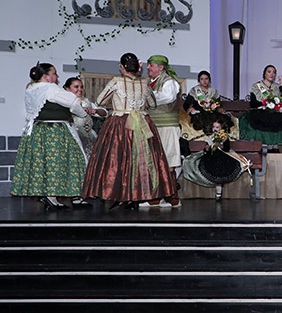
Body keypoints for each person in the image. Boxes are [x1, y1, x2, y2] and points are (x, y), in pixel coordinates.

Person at [82, 53, 178, 210]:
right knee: (141, 160)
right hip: (141, 122)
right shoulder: (145, 83)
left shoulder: (116, 82)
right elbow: (152, 104)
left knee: (118, 159)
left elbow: (99, 101)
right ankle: (136, 195)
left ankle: (119, 194)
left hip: (120, 123)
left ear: (121, 67)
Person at [11, 63, 89, 210]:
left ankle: (51, 196)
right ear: (46, 76)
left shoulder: (31, 89)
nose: (57, 76)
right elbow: (73, 102)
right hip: (54, 131)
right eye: (54, 73)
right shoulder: (51, 88)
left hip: (38, 131)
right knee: (59, 162)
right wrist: (83, 114)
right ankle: (54, 196)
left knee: (44, 164)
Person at [238, 65, 282, 150]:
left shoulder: (277, 87)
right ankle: (263, 145)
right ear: (264, 74)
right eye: (269, 72)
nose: (272, 74)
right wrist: (266, 104)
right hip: (261, 111)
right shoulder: (256, 86)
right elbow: (253, 103)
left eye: (274, 72)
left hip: (275, 112)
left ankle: (276, 146)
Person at [181, 118, 251, 201]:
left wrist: (220, 145)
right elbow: (207, 150)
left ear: (221, 128)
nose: (215, 129)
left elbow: (227, 148)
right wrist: (207, 149)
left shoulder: (224, 137)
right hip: (211, 157)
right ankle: (218, 191)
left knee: (220, 172)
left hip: (223, 157)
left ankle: (218, 193)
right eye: (214, 127)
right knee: (209, 169)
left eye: (217, 127)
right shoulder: (210, 138)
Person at [146, 54, 183, 208]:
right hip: (154, 125)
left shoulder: (169, 81)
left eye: (151, 65)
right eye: (148, 65)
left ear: (161, 67)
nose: (148, 67)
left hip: (167, 126)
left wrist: (147, 96)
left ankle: (172, 197)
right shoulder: (150, 82)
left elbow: (168, 97)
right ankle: (156, 197)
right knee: (154, 161)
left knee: (169, 160)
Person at [63, 76, 107, 159]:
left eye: (81, 87)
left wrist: (95, 111)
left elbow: (104, 113)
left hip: (89, 135)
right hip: (74, 135)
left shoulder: (86, 101)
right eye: (76, 87)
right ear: (67, 89)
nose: (80, 89)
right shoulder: (65, 102)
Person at [183, 70, 222, 135]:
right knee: (200, 122)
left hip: (211, 113)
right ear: (199, 80)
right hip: (198, 113)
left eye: (206, 79)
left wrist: (217, 108)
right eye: (202, 79)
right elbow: (187, 104)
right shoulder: (194, 90)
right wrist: (190, 108)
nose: (204, 81)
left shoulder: (214, 91)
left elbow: (218, 104)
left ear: (209, 80)